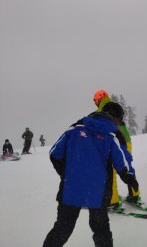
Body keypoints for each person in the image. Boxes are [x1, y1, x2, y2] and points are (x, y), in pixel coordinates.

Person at [43, 106, 139, 247]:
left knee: (63, 227)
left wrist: (67, 174)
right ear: (116, 118)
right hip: (98, 191)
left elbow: (54, 153)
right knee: (100, 229)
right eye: (120, 120)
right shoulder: (113, 133)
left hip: (71, 188)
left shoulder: (75, 128)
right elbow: (123, 161)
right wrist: (130, 179)